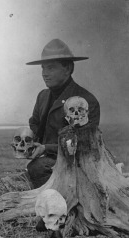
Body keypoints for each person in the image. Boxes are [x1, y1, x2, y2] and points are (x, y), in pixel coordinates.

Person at [25, 39, 100, 188]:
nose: (44, 74)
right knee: (34, 169)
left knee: (38, 168)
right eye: (43, 68)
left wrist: (46, 148)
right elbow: (34, 124)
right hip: (48, 161)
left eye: (51, 68)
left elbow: (82, 144)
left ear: (68, 69)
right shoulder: (43, 96)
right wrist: (29, 141)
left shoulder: (84, 101)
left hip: (75, 163)